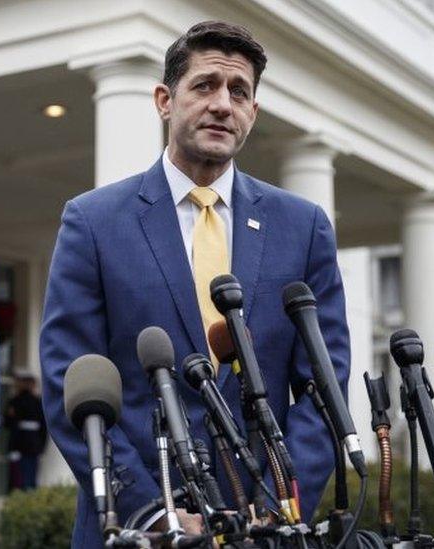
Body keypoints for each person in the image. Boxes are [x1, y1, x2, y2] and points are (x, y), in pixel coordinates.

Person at [40, 21, 350, 548]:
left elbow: (326, 385)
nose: (222, 105)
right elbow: (69, 387)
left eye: (239, 92)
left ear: (253, 111)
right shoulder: (92, 222)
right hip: (136, 528)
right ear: (164, 99)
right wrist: (151, 512)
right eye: (204, 86)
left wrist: (280, 502)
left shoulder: (303, 226)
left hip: (266, 528)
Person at [4, 372, 47, 490]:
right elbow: (8, 423)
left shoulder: (32, 402)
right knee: (20, 479)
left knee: (27, 479)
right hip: (25, 444)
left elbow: (43, 427)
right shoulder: (17, 401)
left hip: (29, 444)